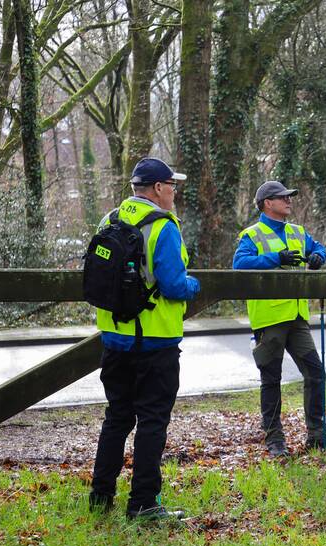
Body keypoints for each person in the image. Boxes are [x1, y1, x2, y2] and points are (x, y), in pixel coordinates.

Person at [89, 158, 201, 521]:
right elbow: (173, 285)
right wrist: (194, 285)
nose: (174, 192)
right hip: (155, 342)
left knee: (117, 417)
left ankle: (100, 496)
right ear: (157, 188)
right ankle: (143, 504)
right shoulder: (162, 226)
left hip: (114, 340)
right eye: (172, 185)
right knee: (152, 421)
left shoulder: (109, 220)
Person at [233, 180, 326, 458]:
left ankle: (317, 435)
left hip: (297, 317)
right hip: (269, 318)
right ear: (267, 203)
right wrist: (275, 258)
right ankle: (275, 440)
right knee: (271, 380)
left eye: (289, 197)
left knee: (315, 373)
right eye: (283, 197)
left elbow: (321, 249)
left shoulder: (297, 231)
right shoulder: (252, 235)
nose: (289, 200)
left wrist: (317, 257)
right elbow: (239, 264)